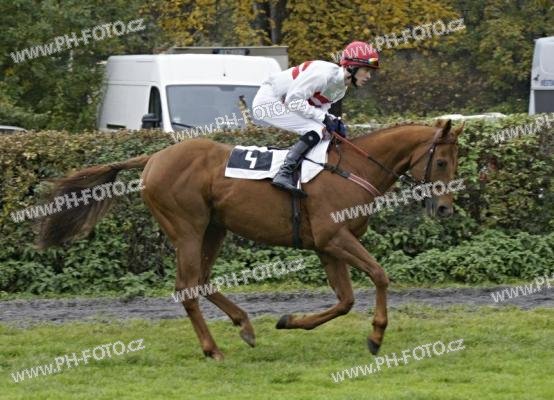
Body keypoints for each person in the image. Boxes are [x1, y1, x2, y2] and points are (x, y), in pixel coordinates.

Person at [252, 41, 380, 197]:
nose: (369, 76)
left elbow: (319, 108)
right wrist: (324, 118)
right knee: (316, 129)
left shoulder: (341, 89)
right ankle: (284, 173)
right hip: (269, 101)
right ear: (352, 67)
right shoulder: (322, 74)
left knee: (324, 133)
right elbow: (293, 100)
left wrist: (333, 120)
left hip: (285, 101)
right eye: (366, 70)